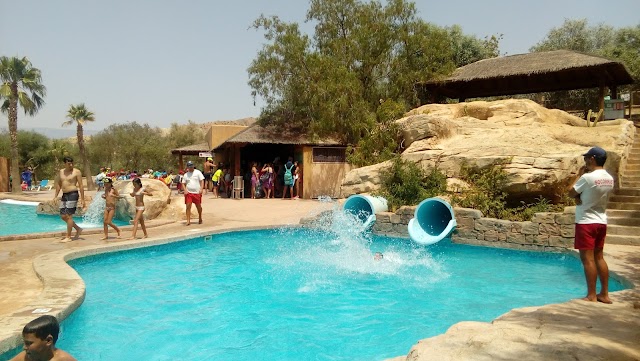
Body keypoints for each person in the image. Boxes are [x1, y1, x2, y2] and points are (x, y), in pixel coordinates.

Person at [568, 146, 614, 304]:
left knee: (587, 260)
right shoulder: (609, 178)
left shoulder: (587, 177)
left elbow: (570, 192)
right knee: (599, 257)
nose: (585, 161)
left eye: (586, 158)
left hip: (586, 222)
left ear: (593, 159)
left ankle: (591, 295)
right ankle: (605, 294)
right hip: (601, 220)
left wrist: (579, 175)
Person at [9, 315, 77, 361]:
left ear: (48, 340)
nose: (24, 347)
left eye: (29, 343)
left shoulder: (64, 359)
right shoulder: (26, 357)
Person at [53, 157, 85, 243]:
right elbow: (59, 185)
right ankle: (78, 229)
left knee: (69, 215)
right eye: (68, 163)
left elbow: (81, 185)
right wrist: (55, 196)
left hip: (73, 194)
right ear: (65, 163)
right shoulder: (61, 172)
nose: (71, 165)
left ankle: (68, 236)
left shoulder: (76, 172)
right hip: (64, 195)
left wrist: (82, 198)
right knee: (63, 216)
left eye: (72, 163)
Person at [182, 161, 204, 225]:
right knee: (188, 206)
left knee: (198, 206)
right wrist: (185, 190)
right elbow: (183, 183)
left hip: (197, 192)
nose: (190, 167)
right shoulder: (186, 175)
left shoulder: (198, 172)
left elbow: (202, 181)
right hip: (189, 193)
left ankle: (200, 217)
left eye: (191, 166)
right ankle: (188, 220)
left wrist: (201, 188)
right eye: (189, 166)